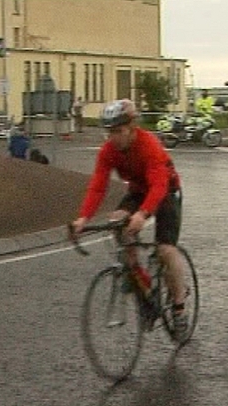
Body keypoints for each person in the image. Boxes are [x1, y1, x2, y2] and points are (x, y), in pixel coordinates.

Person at [69, 99, 187, 334]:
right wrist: (83, 218)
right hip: (138, 191)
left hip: (165, 191)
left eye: (119, 131)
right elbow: (98, 187)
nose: (114, 138)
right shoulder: (108, 151)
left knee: (165, 250)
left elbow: (158, 185)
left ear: (132, 128)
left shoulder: (148, 145)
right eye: (110, 132)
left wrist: (143, 214)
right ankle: (141, 282)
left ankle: (179, 308)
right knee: (117, 222)